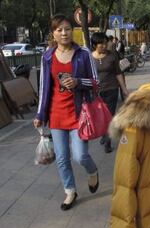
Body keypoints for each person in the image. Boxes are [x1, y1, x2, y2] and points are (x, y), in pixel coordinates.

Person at [33, 14, 99, 211]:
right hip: (56, 115)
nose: (64, 33)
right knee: (62, 158)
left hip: (79, 114)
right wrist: (39, 115)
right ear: (53, 33)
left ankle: (93, 170)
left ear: (72, 31)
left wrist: (79, 82)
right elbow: (44, 87)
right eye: (59, 29)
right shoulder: (47, 56)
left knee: (80, 156)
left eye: (67, 29)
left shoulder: (84, 53)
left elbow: (96, 83)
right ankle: (70, 191)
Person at [91, 32, 129, 153]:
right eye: (100, 44)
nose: (103, 46)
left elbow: (118, 73)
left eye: (104, 43)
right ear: (94, 45)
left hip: (111, 89)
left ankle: (107, 141)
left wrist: (123, 88)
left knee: (109, 116)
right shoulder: (89, 57)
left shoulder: (112, 56)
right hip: (96, 92)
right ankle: (104, 134)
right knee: (99, 116)